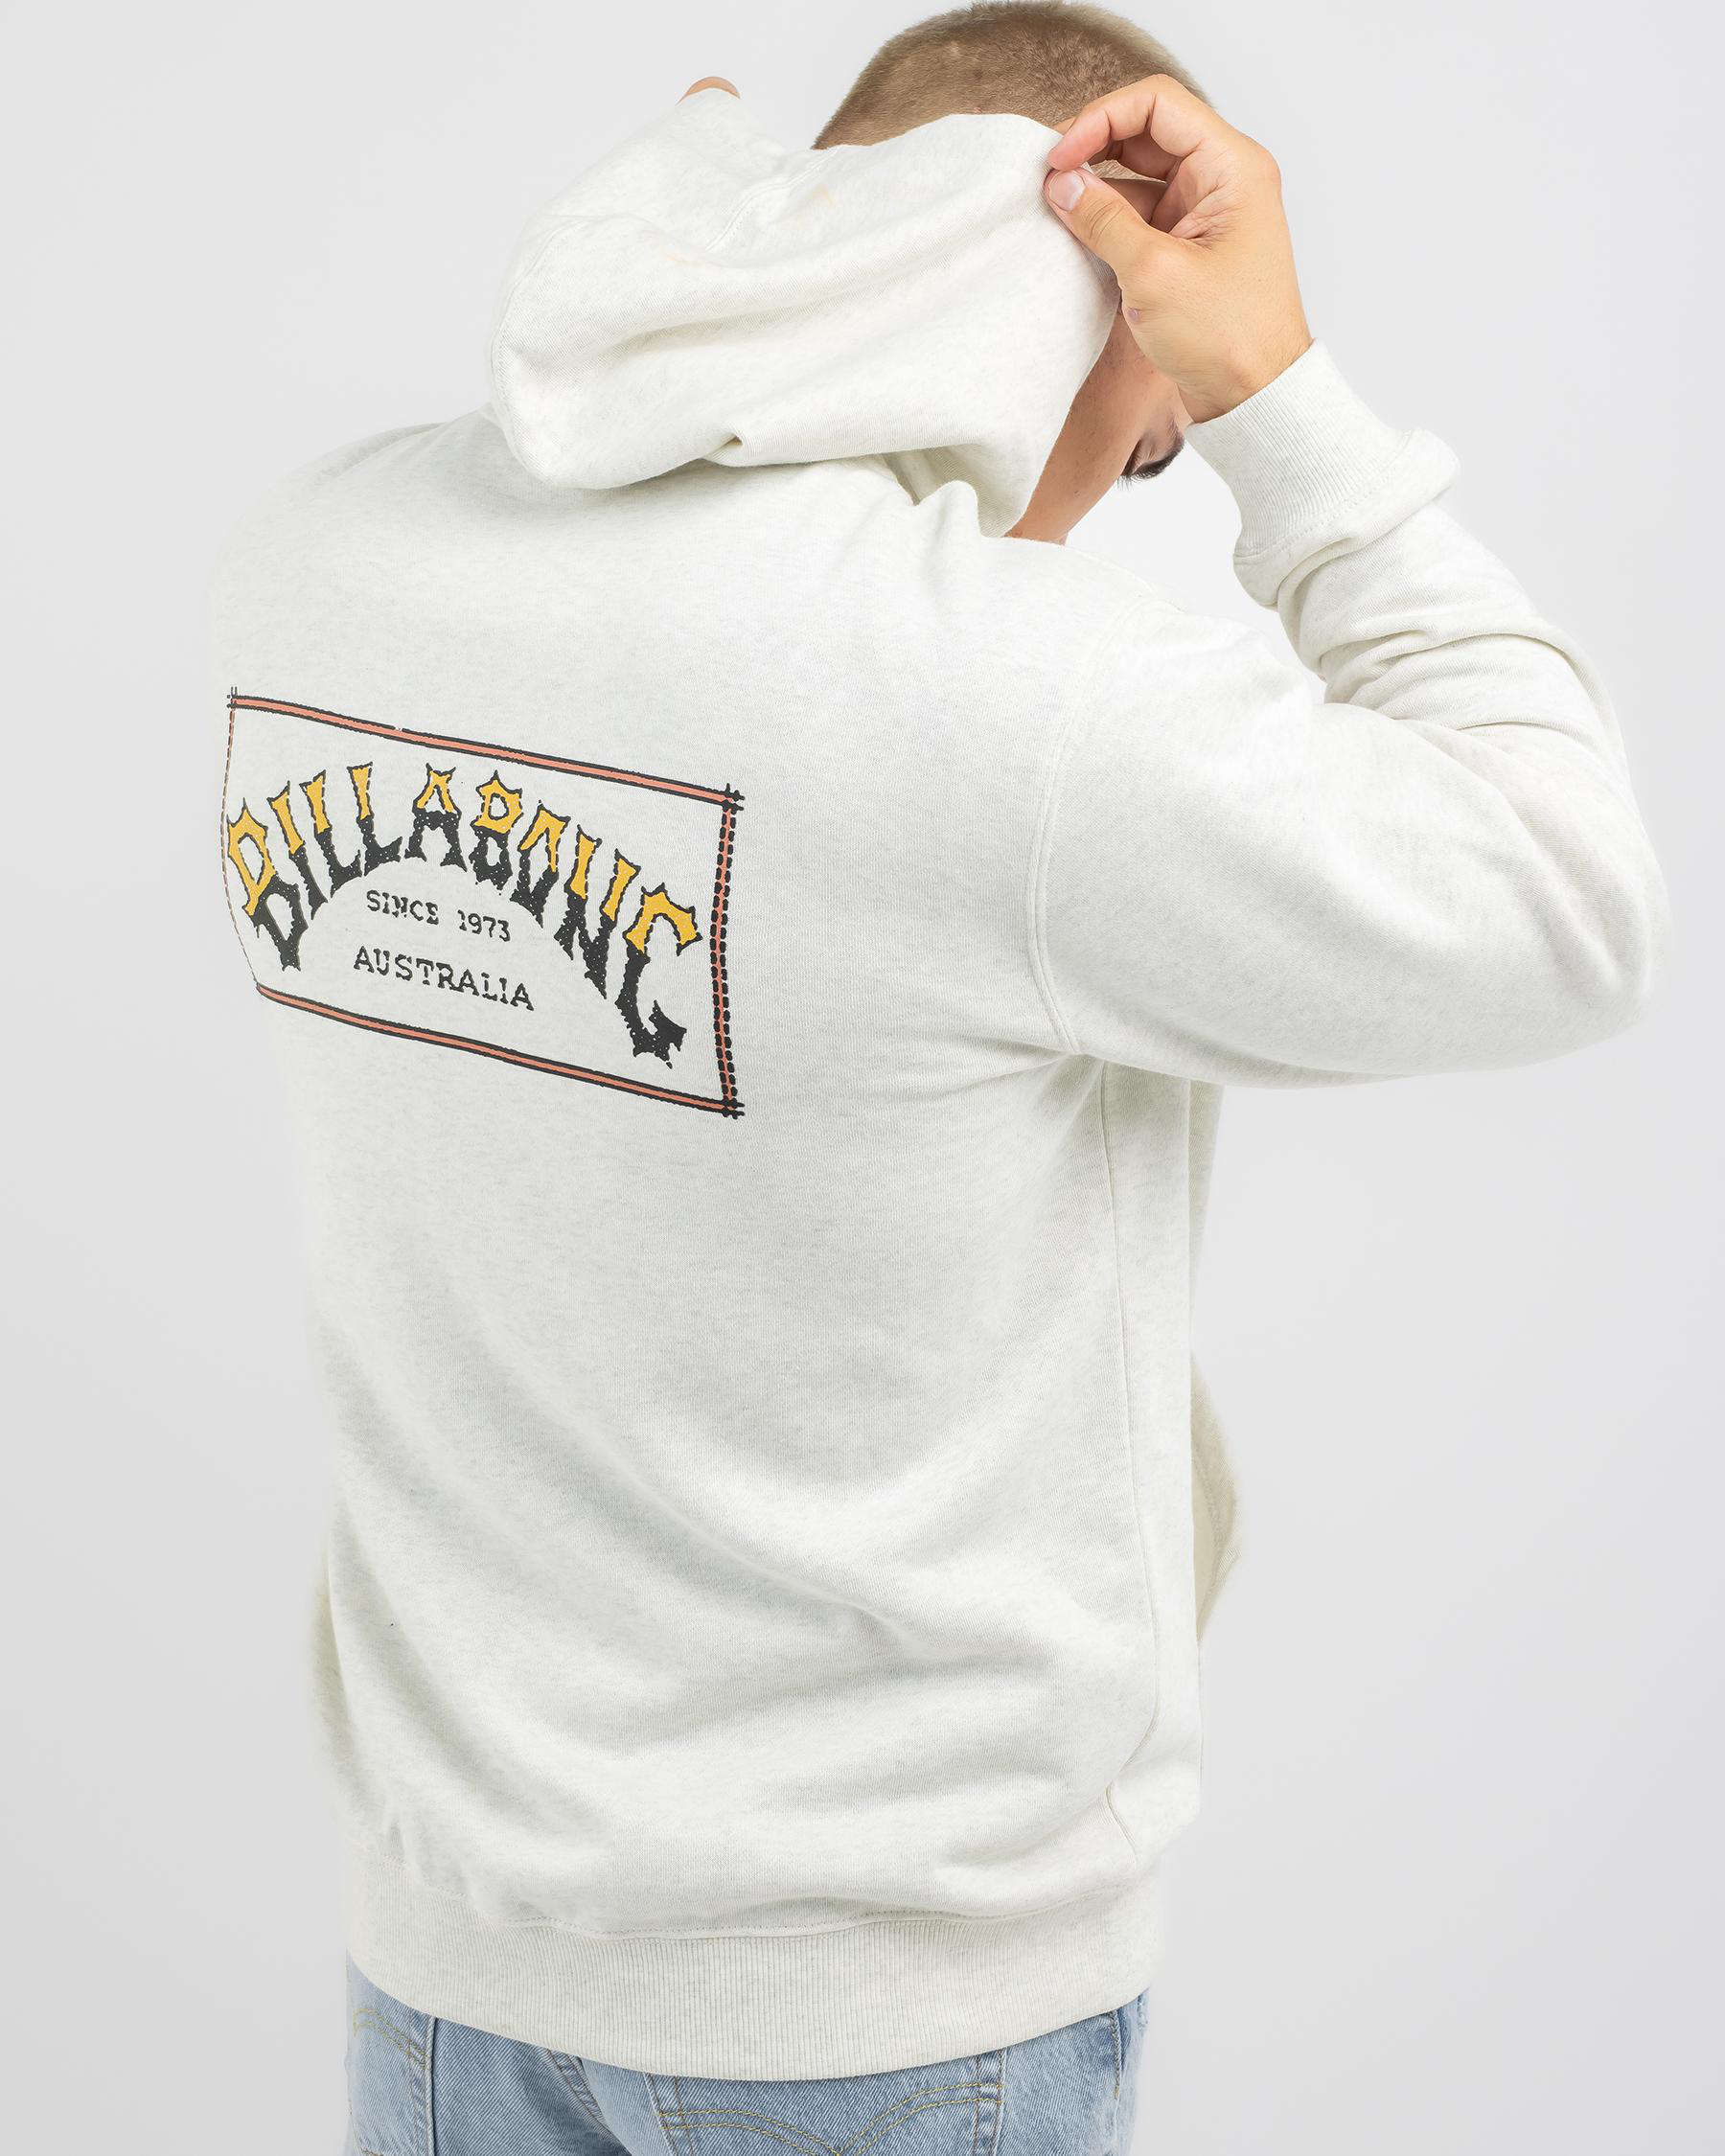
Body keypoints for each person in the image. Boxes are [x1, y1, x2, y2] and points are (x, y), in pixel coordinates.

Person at [210, 6, 1667, 2150]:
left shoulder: (317, 563)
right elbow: (1572, 894)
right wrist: (1272, 390)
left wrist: (716, 228)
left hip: (445, 1980)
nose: (1084, 504)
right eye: (1143, 443)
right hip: (894, 2025)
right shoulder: (1001, 705)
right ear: (1068, 306)